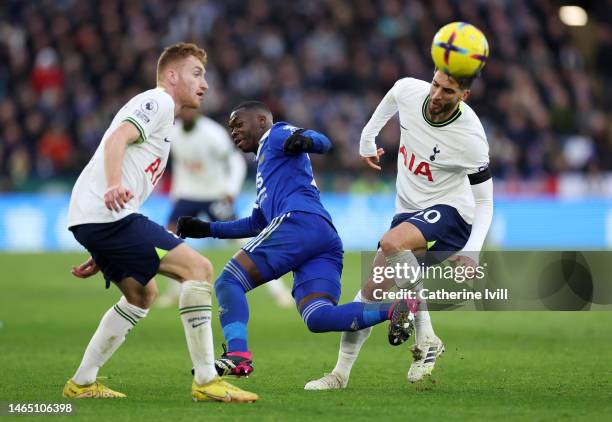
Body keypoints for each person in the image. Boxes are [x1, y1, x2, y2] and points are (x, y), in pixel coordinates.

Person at [63, 42, 257, 403]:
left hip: (100, 219)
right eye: (196, 73)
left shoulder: (165, 116)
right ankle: (206, 379)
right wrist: (113, 188)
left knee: (142, 294)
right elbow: (118, 138)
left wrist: (100, 240)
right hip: (108, 214)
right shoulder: (159, 101)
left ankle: (82, 382)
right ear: (172, 76)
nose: (206, 83)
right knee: (197, 268)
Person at [176, 101, 418, 377]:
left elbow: (323, 142)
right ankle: (397, 308)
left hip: (298, 223)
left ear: (261, 121)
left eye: (239, 124)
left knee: (229, 281)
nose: (233, 131)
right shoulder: (266, 167)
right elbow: (258, 223)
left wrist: (305, 140)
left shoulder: (276, 135)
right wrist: (208, 229)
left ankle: (238, 354)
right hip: (323, 237)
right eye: (230, 127)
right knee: (317, 316)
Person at [305, 69, 493, 389]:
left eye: (448, 91)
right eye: (435, 84)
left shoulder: (471, 136)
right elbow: (392, 95)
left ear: (464, 95)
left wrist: (472, 252)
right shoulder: (410, 90)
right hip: (408, 214)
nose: (436, 95)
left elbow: (485, 202)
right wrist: (367, 139)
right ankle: (339, 375)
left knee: (392, 243)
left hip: (453, 214)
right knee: (369, 295)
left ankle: (425, 334)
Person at [157, 107, 293, 308]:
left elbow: (235, 161)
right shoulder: (174, 133)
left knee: (243, 240)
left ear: (196, 111)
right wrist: (177, 194)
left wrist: (231, 190)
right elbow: (179, 165)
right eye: (180, 111)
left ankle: (278, 290)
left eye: (187, 110)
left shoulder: (212, 133)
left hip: (215, 194)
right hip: (187, 194)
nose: (183, 114)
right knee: (168, 238)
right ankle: (175, 290)